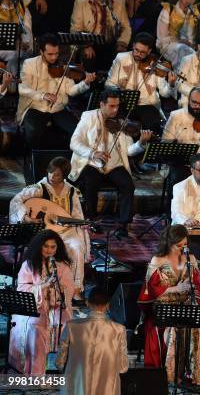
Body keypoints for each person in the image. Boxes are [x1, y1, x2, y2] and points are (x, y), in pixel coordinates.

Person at [137, 224, 200, 385]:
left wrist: (192, 288)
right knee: (173, 328)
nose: (182, 249)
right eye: (179, 246)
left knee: (197, 324)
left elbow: (198, 285)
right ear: (169, 243)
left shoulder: (190, 259)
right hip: (163, 306)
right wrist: (174, 288)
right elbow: (150, 290)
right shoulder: (158, 260)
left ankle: (191, 371)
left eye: (185, 245)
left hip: (185, 303)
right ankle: (171, 373)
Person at [69, 89, 153, 238]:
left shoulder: (121, 122)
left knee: (128, 185)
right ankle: (92, 219)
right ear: (102, 104)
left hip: (114, 165)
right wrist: (93, 153)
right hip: (92, 163)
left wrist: (141, 143)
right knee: (90, 181)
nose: (115, 110)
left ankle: (123, 224)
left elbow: (128, 151)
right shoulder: (88, 117)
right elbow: (74, 143)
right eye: (111, 106)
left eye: (117, 106)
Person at [9, 156, 90, 299]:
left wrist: (81, 224)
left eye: (57, 174)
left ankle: (75, 289)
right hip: (46, 231)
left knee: (77, 247)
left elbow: (77, 215)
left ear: (64, 175)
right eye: (50, 172)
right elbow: (16, 200)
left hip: (67, 230)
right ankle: (45, 286)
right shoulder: (40, 188)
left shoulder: (71, 192)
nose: (52, 176)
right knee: (47, 247)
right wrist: (25, 217)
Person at [8, 229, 75, 375]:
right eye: (46, 246)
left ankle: (64, 370)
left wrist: (58, 290)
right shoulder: (29, 264)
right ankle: (34, 373)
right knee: (35, 328)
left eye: (53, 247)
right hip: (34, 308)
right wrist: (43, 287)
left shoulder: (62, 266)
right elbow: (22, 288)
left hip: (56, 307)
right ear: (39, 246)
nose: (49, 250)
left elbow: (69, 289)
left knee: (68, 325)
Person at [17, 33, 95, 150]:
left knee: (77, 131)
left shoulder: (63, 66)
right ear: (41, 52)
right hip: (35, 107)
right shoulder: (29, 64)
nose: (54, 57)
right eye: (50, 54)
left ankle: (62, 160)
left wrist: (85, 83)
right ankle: (35, 159)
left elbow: (71, 91)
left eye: (56, 54)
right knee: (33, 132)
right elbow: (22, 89)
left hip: (58, 109)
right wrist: (43, 95)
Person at [56, 286, 128, 395]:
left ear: (87, 303)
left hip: (78, 385)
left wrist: (62, 367)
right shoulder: (119, 329)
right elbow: (123, 367)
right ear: (108, 305)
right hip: (107, 387)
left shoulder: (71, 326)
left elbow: (59, 362)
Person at [106, 32, 177, 134]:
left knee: (151, 127)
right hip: (124, 103)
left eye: (143, 52)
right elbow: (109, 84)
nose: (138, 54)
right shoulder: (121, 58)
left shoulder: (155, 64)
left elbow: (164, 93)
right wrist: (121, 92)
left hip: (147, 105)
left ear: (149, 51)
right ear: (133, 45)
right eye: (136, 50)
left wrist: (171, 84)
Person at [70, 0, 132, 72]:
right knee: (88, 56)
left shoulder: (118, 2)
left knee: (121, 56)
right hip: (90, 42)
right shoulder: (81, 2)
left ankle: (112, 83)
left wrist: (122, 44)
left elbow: (126, 27)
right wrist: (85, 45)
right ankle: (89, 83)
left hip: (112, 43)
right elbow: (75, 30)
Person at [156, 0, 200, 68]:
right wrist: (179, 41)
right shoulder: (169, 9)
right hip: (170, 45)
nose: (189, 0)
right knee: (183, 50)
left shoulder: (199, 11)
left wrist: (199, 20)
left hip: (193, 46)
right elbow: (162, 38)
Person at [0, 0, 33, 76]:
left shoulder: (22, 7)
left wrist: (25, 43)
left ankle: (14, 83)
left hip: (18, 49)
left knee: (20, 53)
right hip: (1, 50)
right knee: (14, 54)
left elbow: (27, 30)